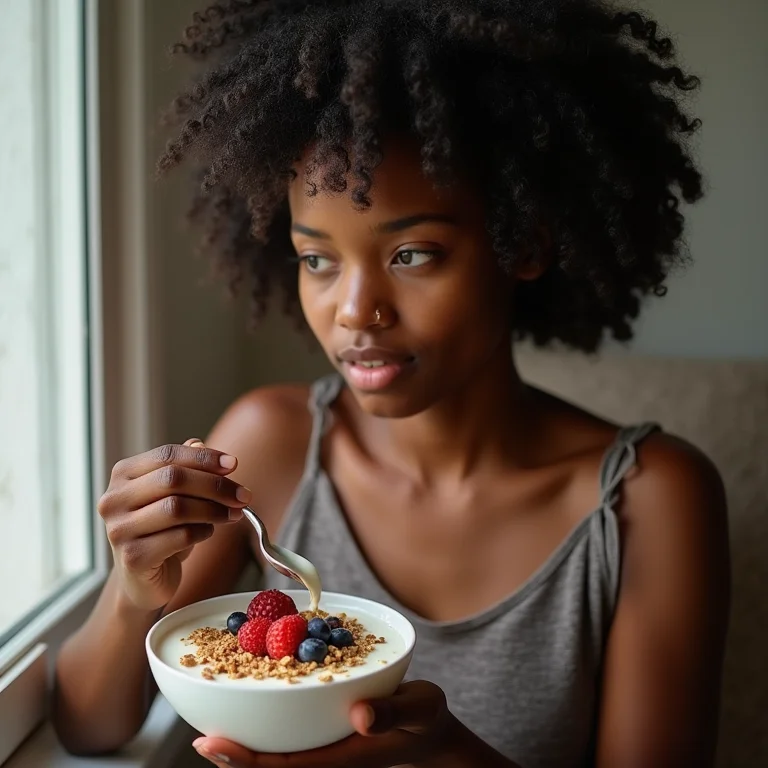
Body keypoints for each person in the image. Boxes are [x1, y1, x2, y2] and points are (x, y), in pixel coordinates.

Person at [53, 1, 731, 766]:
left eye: (413, 254)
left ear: (527, 243)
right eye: (318, 259)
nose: (355, 311)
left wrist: (443, 756)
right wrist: (133, 592)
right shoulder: (270, 447)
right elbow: (91, 728)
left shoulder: (648, 502)